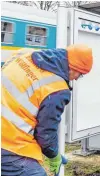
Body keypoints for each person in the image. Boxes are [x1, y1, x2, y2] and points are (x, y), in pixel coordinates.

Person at [1, 44, 93, 176]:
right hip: (10, 145)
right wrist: (54, 155)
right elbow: (45, 134)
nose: (77, 79)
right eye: (80, 75)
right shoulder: (57, 89)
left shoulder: (23, 54)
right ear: (73, 68)